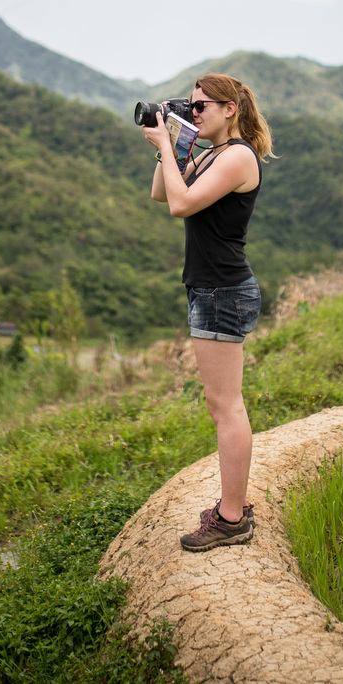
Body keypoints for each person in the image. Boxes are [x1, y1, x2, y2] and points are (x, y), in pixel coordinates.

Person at [142, 72, 274, 552]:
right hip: (209, 287)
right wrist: (173, 146)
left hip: (222, 290)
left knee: (226, 406)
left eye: (201, 107)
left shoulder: (237, 156)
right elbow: (161, 192)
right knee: (221, 404)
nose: (193, 113)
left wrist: (167, 143)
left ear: (229, 109)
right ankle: (233, 508)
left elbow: (181, 205)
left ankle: (232, 518)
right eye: (190, 106)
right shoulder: (210, 153)